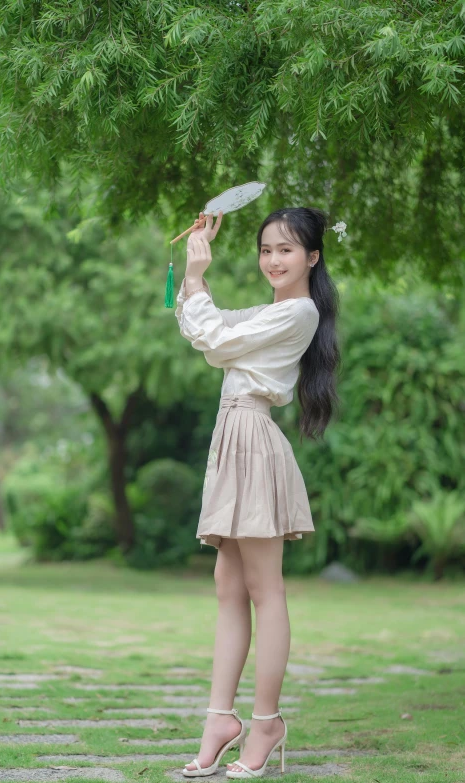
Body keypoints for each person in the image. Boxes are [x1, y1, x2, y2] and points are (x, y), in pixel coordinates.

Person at [175, 207, 340, 778]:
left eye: (286, 250)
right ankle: (221, 718)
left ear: (312, 257)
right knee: (228, 585)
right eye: (266, 249)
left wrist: (197, 280)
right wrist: (195, 276)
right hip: (234, 437)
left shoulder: (299, 312)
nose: (273, 259)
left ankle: (266, 722)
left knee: (265, 588)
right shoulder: (271, 311)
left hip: (251, 437)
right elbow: (206, 327)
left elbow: (217, 342)